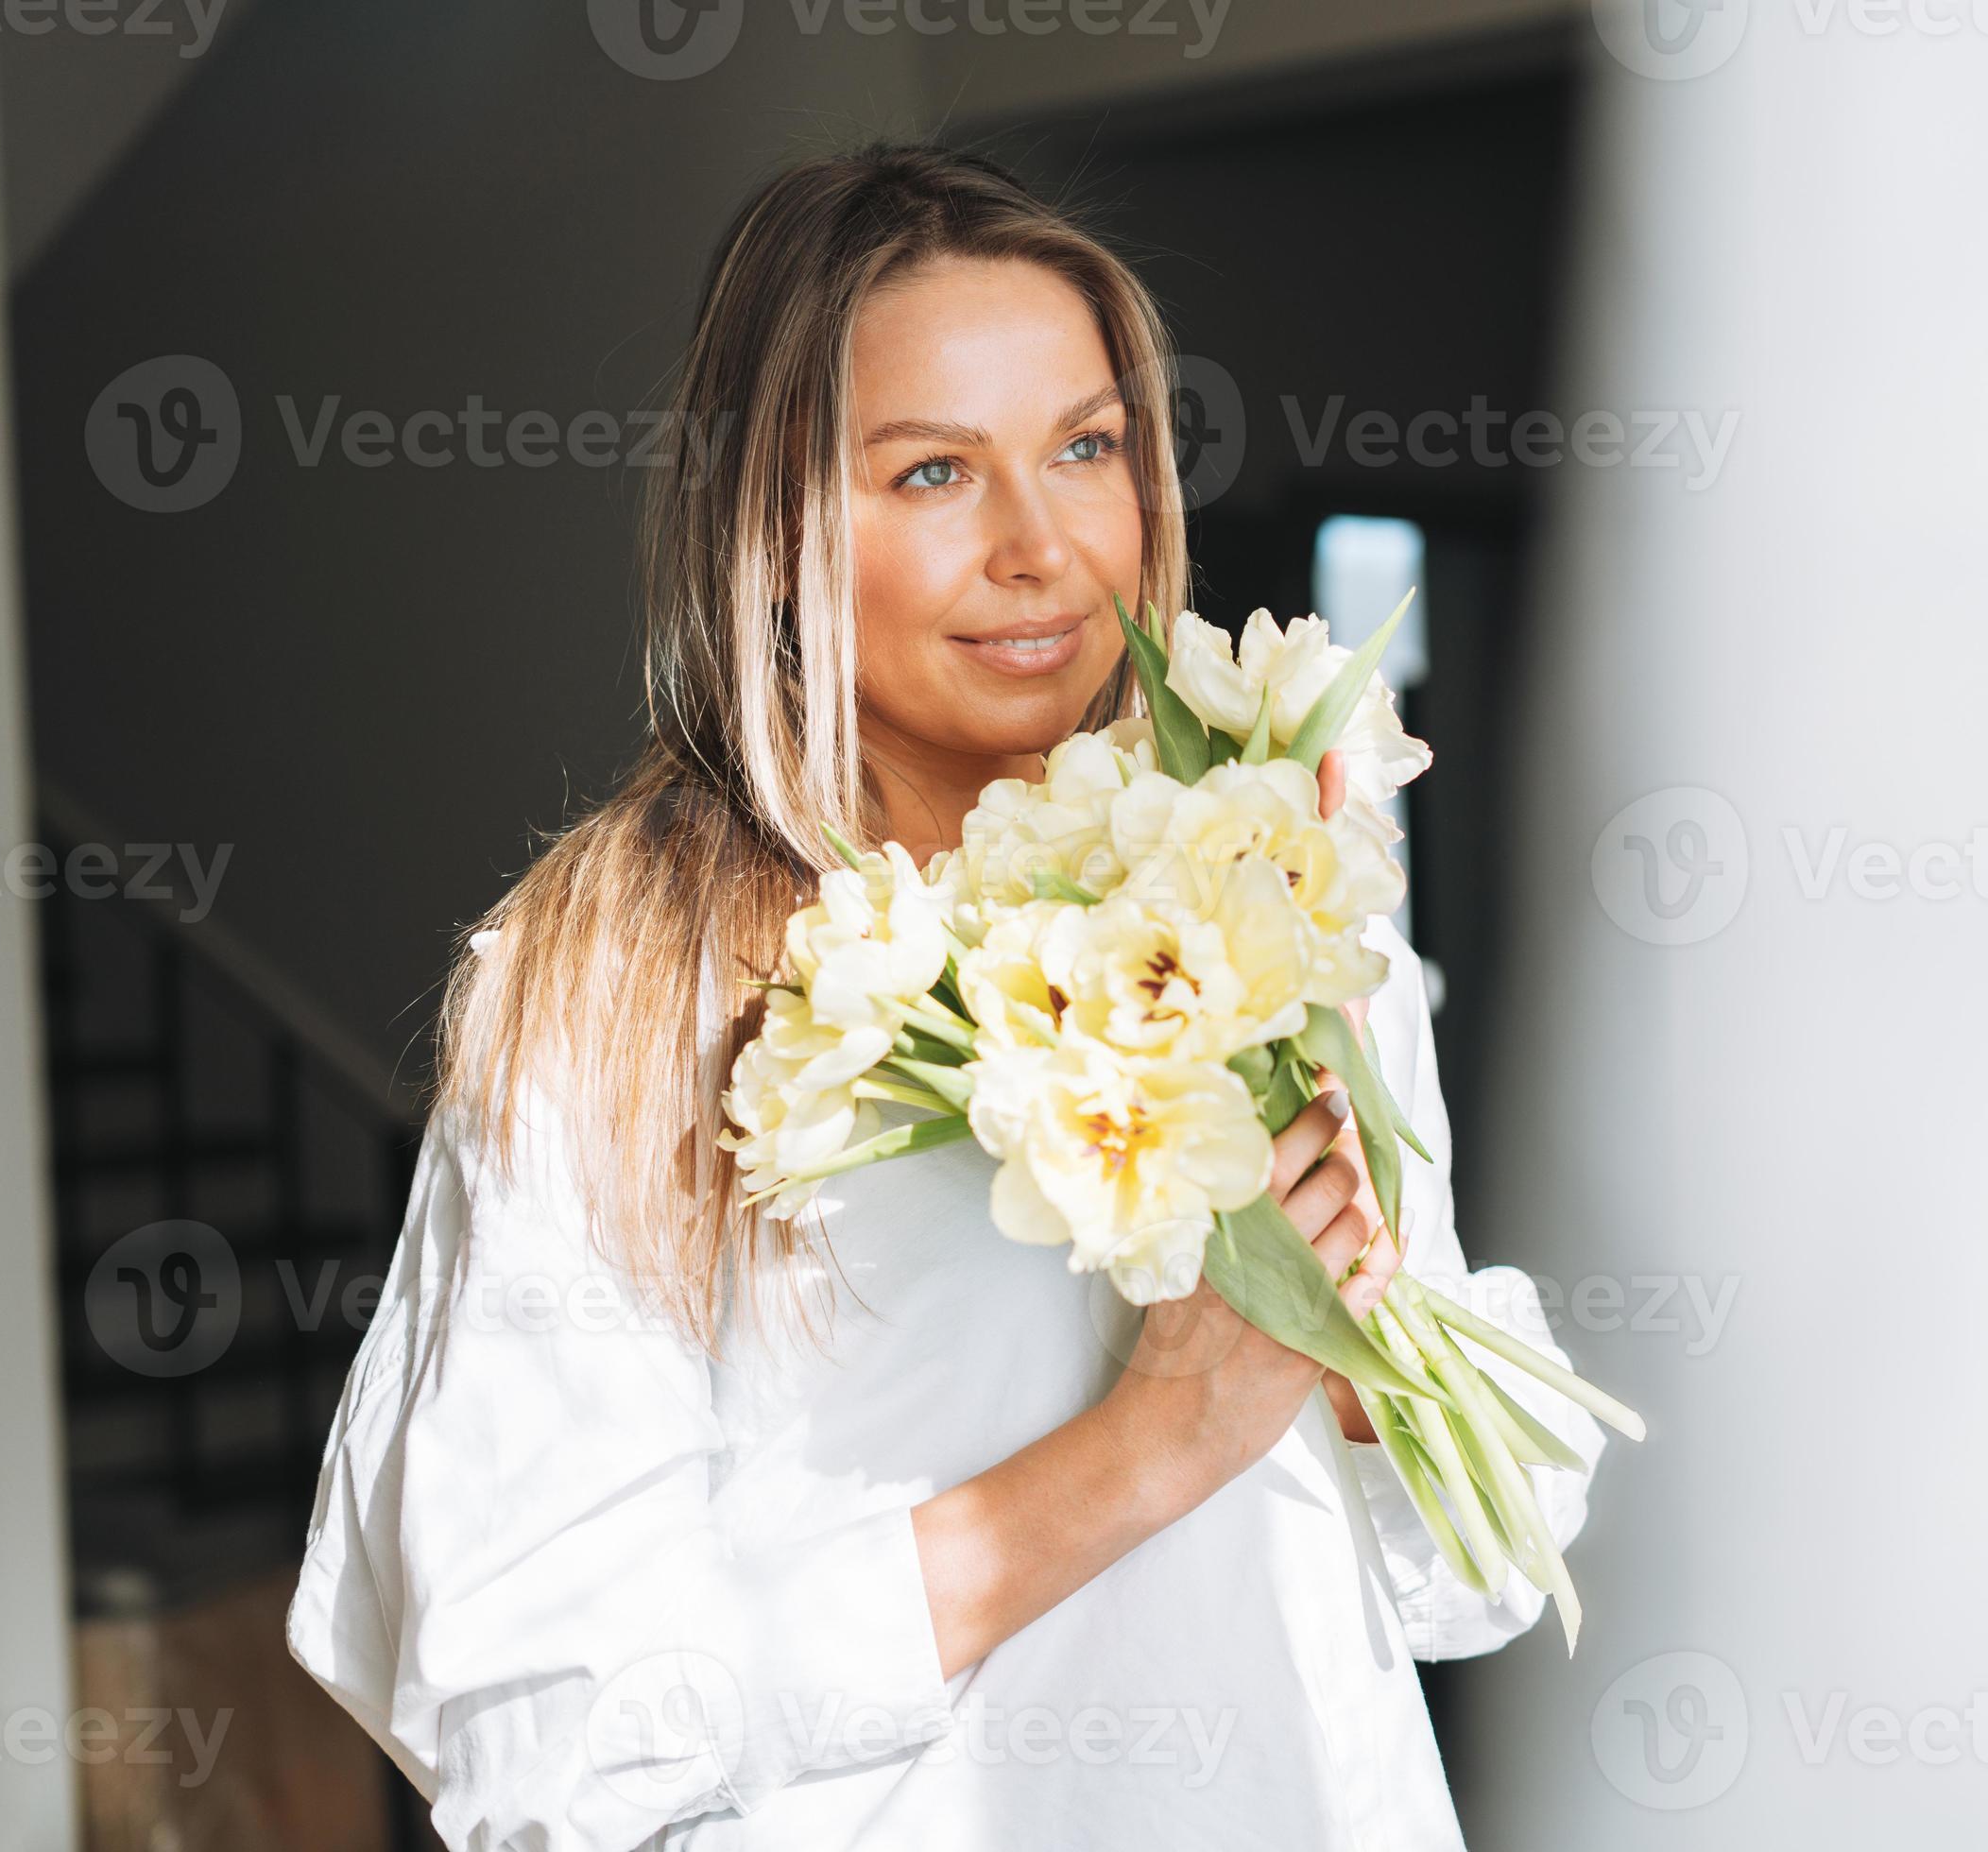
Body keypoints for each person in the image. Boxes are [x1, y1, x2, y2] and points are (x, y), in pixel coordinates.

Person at [286, 143, 1600, 1851]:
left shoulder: (1266, 890)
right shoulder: (615, 989)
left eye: (1086, 448)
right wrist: (1144, 1448)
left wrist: (1358, 1361)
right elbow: (544, 1728)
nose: (1042, 548)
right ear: (771, 535)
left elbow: (1480, 1570)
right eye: (929, 474)